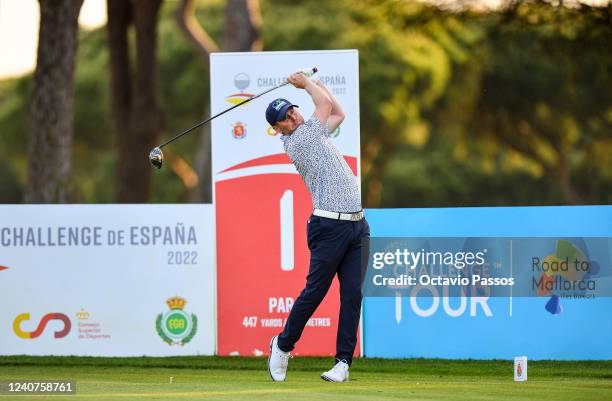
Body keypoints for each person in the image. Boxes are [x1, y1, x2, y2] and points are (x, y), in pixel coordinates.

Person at [265, 71, 370, 382]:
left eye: (293, 109)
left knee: (352, 294)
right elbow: (323, 106)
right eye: (285, 117)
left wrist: (317, 82)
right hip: (329, 226)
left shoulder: (315, 133)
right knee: (315, 293)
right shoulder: (298, 141)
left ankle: (342, 364)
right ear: (277, 129)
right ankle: (283, 346)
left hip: (357, 225)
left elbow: (337, 112)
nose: (293, 117)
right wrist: (307, 84)